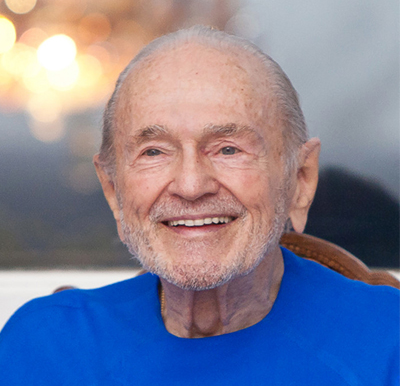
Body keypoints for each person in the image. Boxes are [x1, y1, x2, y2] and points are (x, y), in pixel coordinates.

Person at [0, 26, 398, 385]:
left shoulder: (387, 340)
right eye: (154, 152)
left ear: (301, 180)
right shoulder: (45, 346)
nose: (191, 186)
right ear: (112, 191)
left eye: (228, 149)